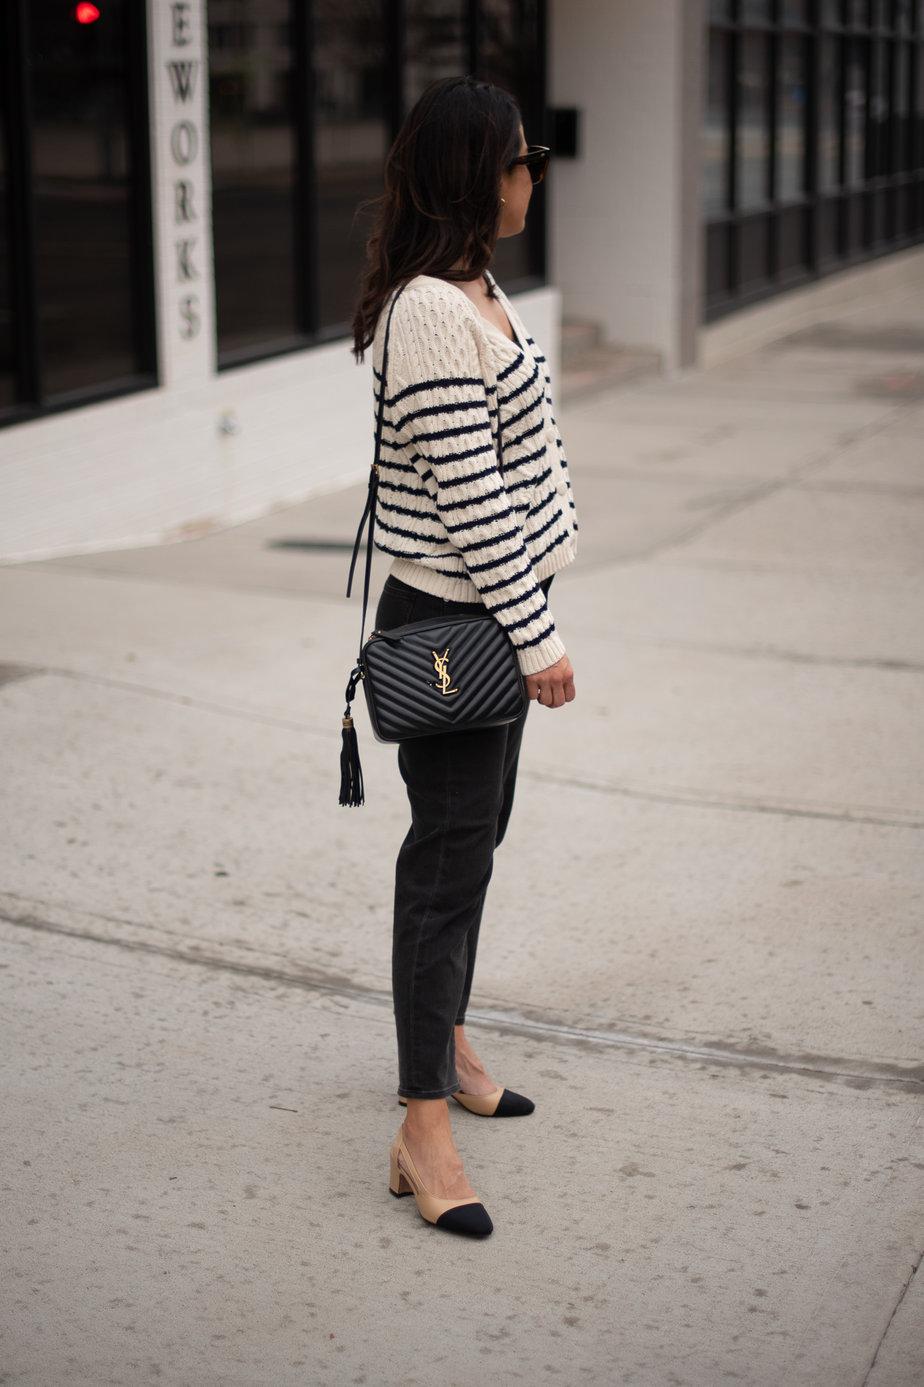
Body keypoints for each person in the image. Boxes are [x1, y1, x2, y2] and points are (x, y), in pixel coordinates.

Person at [351, 75, 578, 1237]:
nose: (535, 173)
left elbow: (529, 456)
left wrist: (548, 577)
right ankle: (420, 1123)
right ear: (476, 173)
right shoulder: (433, 310)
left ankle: (446, 1038)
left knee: (472, 848)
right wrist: (536, 638)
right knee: (444, 869)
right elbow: (474, 496)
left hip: (497, 608)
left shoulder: (482, 287)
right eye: (522, 157)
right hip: (456, 627)